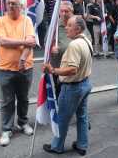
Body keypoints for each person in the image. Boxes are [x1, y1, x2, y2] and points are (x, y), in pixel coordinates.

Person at [42, 16, 93, 156]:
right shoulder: (86, 40)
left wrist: (53, 70)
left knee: (62, 118)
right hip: (85, 84)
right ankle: (82, 145)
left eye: (69, 25)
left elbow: (72, 69)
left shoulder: (74, 45)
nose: (66, 27)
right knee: (82, 116)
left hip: (73, 87)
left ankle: (57, 146)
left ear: (78, 29)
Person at [0, 0, 36, 146]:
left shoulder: (27, 21)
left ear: (21, 6)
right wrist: (22, 42)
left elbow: (31, 42)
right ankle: (6, 129)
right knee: (7, 100)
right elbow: (3, 41)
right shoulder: (0, 21)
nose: (11, 6)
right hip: (6, 68)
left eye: (14, 3)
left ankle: (23, 122)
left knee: (24, 98)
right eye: (9, 3)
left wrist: (23, 58)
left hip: (25, 67)